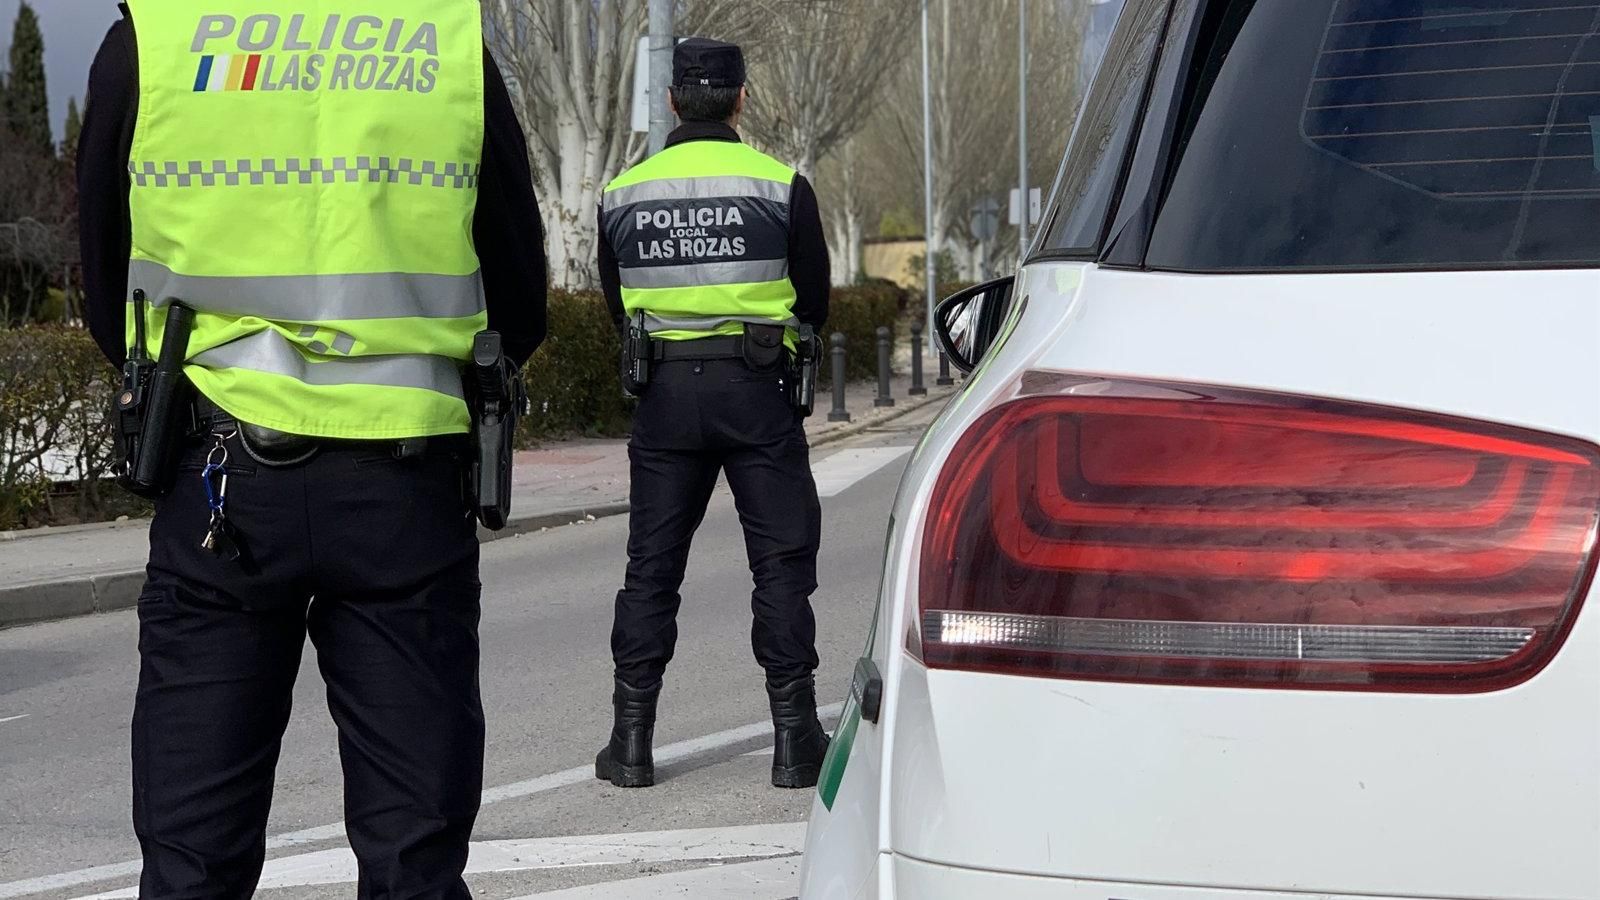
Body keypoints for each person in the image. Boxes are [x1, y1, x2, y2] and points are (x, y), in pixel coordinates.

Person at [77, 3, 547, 897]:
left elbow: (108, 286)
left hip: (218, 482)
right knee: (415, 857)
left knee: (191, 859)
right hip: (407, 489)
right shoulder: (445, 40)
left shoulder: (154, 36)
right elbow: (519, 294)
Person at [595, 38, 831, 791]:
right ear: (740, 99)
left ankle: (630, 742)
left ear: (671, 101)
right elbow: (814, 301)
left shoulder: (622, 193)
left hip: (664, 395)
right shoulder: (780, 185)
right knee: (780, 564)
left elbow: (615, 304)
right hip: (756, 390)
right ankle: (795, 739)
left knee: (651, 569)